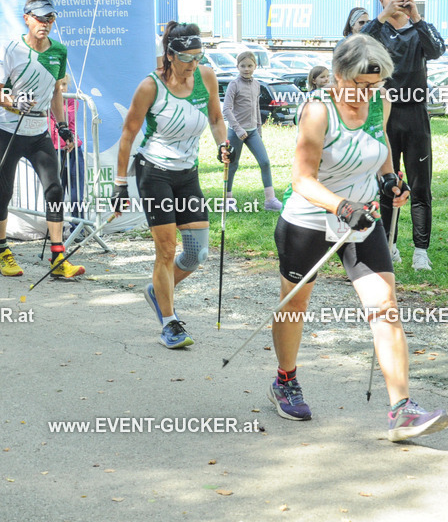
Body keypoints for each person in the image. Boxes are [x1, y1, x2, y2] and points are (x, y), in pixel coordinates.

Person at [269, 33, 448, 441]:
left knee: (384, 305)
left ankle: (401, 409)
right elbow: (302, 180)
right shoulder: (318, 111)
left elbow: (381, 149)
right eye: (357, 86)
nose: (364, 95)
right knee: (295, 304)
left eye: (373, 86)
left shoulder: (378, 103)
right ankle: (284, 379)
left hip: (362, 222)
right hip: (310, 221)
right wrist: (340, 206)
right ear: (336, 76)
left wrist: (390, 182)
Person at [111, 21, 231, 349]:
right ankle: (169, 321)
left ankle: (158, 289)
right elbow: (127, 135)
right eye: (188, 58)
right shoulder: (150, 87)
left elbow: (217, 119)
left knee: (196, 253)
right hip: (155, 173)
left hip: (187, 174)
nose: (194, 65)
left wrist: (223, 143)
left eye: (199, 57)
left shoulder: (205, 77)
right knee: (166, 250)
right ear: (170, 54)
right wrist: (120, 184)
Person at [0, 0, 84, 279]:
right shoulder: (11, 48)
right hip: (8, 129)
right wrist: (14, 102)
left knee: (54, 190)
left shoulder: (59, 51)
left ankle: (58, 257)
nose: (45, 23)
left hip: (39, 130)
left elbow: (55, 90)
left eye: (50, 18)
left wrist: (63, 126)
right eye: (40, 18)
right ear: (26, 17)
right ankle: (2, 251)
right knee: (4, 192)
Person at [361, 0, 444, 270]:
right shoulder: (376, 31)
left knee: (421, 185)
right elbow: (353, 47)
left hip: (415, 115)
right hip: (384, 114)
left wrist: (416, 16)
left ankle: (421, 251)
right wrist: (383, 15)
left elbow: (436, 50)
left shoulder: (419, 28)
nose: (398, 1)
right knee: (386, 183)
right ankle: (388, 245)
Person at [222, 51, 281, 212]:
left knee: (265, 162)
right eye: (243, 66)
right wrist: (238, 128)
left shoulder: (257, 84)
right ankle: (227, 200)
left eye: (249, 66)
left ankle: (270, 200)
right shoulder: (234, 84)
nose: (246, 69)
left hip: (253, 131)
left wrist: (259, 130)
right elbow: (226, 109)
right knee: (232, 165)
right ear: (237, 66)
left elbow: (256, 108)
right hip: (236, 132)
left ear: (255, 66)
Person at [46, 75, 86, 235]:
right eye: (58, 85)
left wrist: (72, 141)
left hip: (73, 151)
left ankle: (78, 228)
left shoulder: (71, 101)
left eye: (64, 84)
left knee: (77, 192)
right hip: (54, 151)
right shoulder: (46, 102)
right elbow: (49, 124)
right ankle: (56, 228)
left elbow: (72, 124)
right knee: (56, 192)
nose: (62, 88)